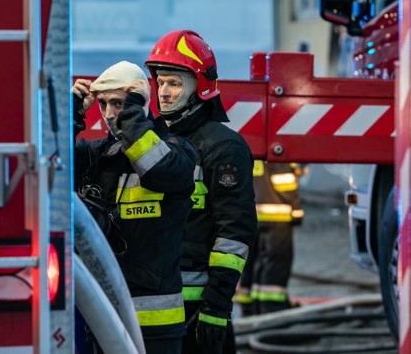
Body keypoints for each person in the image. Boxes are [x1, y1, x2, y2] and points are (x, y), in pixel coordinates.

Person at [72, 61, 198, 354]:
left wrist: (134, 112)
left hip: (156, 325)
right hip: (104, 317)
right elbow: (52, 166)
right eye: (102, 104)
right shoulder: (96, 155)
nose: (109, 114)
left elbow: (155, 169)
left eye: (118, 103)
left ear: (140, 103)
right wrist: (71, 116)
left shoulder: (177, 150)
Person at [144, 30, 258, 354]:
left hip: (199, 312)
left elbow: (235, 232)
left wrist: (217, 307)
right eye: (160, 82)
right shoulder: (149, 142)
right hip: (151, 308)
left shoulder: (223, 148)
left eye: (175, 84)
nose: (163, 93)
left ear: (200, 87)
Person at [236, 160, 305, 316]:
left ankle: (251, 307)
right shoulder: (278, 151)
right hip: (277, 217)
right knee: (276, 262)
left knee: (252, 261)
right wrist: (297, 210)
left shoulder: (252, 150)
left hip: (252, 216)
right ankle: (272, 306)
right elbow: (284, 183)